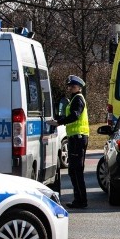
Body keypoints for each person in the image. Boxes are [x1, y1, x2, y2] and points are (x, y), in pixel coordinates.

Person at [48, 75, 89, 208]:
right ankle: (80, 199)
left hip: (78, 138)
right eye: (69, 86)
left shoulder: (78, 99)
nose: (70, 88)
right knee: (74, 170)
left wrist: (59, 122)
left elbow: (74, 115)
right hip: (75, 137)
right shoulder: (74, 99)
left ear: (78, 87)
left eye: (72, 86)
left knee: (75, 170)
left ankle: (81, 200)